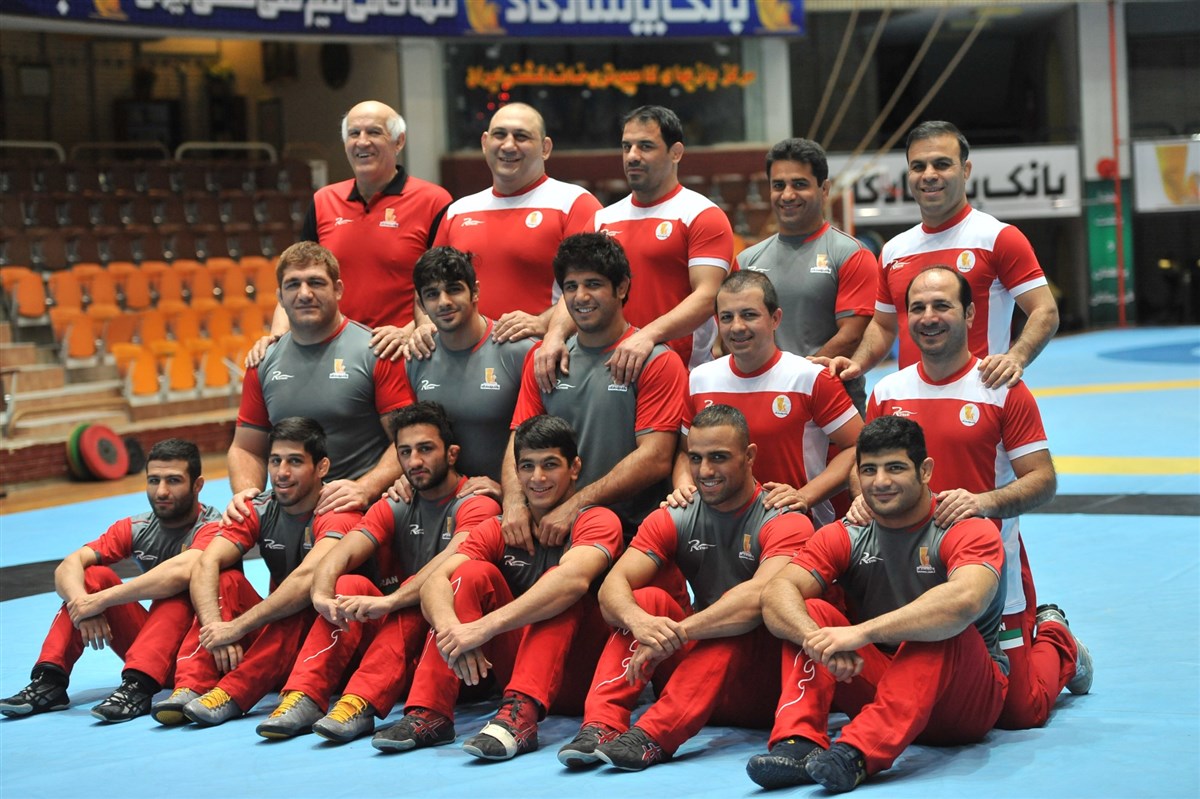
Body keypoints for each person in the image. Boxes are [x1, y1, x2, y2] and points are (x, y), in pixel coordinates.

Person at [861, 266, 1089, 731]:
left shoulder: (1001, 388)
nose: (929, 317)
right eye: (918, 308)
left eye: (941, 305)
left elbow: (1043, 480)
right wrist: (860, 498)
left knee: (1021, 712)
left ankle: (1057, 636)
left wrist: (983, 503)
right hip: (909, 571)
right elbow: (861, 465)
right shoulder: (887, 391)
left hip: (992, 571)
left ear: (969, 314)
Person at [746, 416, 1009, 793]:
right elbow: (776, 593)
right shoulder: (847, 533)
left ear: (925, 471)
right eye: (869, 470)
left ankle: (856, 754)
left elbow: (963, 601)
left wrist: (861, 633)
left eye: (895, 468)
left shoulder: (966, 527)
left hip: (962, 702)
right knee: (811, 614)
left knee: (940, 626)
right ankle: (799, 742)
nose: (880, 481)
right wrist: (817, 640)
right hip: (882, 681)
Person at [557, 404, 812, 771]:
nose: (705, 471)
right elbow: (612, 588)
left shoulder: (784, 519)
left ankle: (652, 736)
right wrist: (642, 623)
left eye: (719, 457)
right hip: (693, 679)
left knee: (735, 617)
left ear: (749, 456)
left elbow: (758, 599)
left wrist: (679, 633)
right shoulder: (676, 513)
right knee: (644, 600)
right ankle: (601, 724)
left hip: (764, 685)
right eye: (696, 458)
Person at [372, 415, 623, 762]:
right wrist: (454, 632)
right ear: (516, 472)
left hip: (583, 676)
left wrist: (484, 627)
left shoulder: (597, 520)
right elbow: (434, 582)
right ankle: (429, 712)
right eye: (528, 466)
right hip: (517, 669)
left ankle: (519, 718)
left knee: (558, 590)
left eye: (550, 465)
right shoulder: (498, 528)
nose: (538, 478)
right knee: (471, 574)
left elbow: (572, 581)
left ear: (575, 468)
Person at [252, 402, 500, 742]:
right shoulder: (396, 502)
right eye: (405, 452)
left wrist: (391, 601)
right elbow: (340, 554)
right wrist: (321, 594)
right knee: (348, 583)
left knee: (422, 591)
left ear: (452, 454)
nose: (415, 461)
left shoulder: (478, 502)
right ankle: (307, 696)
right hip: (404, 659)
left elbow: (450, 561)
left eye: (425, 449)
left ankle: (372, 702)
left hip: (470, 660)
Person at [150, 418, 363, 727]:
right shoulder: (258, 507)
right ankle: (193, 685)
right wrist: (216, 629)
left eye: (295, 462)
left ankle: (242, 691)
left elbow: (308, 578)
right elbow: (206, 563)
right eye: (275, 461)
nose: (281, 472)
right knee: (227, 580)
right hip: (282, 643)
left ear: (322, 467)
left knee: (312, 594)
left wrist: (236, 628)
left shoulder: (338, 510)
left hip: (342, 642)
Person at [0, 439, 219, 723]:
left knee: (176, 594)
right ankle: (50, 681)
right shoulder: (138, 527)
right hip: (159, 651)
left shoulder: (214, 526)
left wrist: (100, 601)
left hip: (205, 654)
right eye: (154, 480)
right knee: (93, 576)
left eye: (173, 480)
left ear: (197, 485)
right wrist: (82, 605)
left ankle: (138, 686)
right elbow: (69, 565)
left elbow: (180, 573)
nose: (161, 491)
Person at [830, 121, 1059, 389]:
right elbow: (884, 326)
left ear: (965, 170)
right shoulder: (893, 250)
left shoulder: (999, 238)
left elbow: (1045, 310)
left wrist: (1015, 358)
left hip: (980, 400)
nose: (929, 175)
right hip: (911, 404)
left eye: (941, 164)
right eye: (918, 166)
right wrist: (857, 364)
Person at [506, 232, 688, 547]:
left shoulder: (658, 361)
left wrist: (576, 506)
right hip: (551, 531)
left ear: (622, 288)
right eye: (571, 287)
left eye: (593, 284)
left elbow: (656, 458)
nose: (581, 297)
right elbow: (518, 439)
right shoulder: (544, 358)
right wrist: (513, 502)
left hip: (631, 534)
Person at [540, 105, 733, 388]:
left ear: (676, 152)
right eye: (626, 146)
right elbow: (575, 292)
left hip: (682, 374)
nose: (632, 156)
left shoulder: (702, 215)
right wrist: (554, 336)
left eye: (645, 146)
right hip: (610, 374)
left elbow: (709, 295)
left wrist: (648, 335)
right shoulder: (602, 220)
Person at [227, 241, 413, 521]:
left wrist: (366, 487)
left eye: (315, 282)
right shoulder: (263, 361)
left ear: (338, 289)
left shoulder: (376, 352)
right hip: (290, 516)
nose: (304, 294)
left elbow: (407, 440)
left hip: (362, 512)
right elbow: (246, 447)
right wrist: (247, 498)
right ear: (280, 296)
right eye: (293, 285)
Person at [677, 271, 863, 527]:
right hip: (717, 528)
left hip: (798, 525)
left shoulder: (810, 377)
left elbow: (858, 446)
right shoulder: (700, 379)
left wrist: (804, 496)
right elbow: (686, 452)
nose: (737, 326)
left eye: (749, 315)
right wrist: (683, 486)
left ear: (775, 319)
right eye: (727, 317)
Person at [261, 100, 450, 352]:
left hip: (403, 351)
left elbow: (446, 286)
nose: (362, 142)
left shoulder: (434, 201)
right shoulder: (324, 201)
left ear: (399, 141)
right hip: (334, 352)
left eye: (374, 132)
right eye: (354, 133)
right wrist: (276, 339)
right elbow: (296, 276)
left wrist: (408, 332)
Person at [430, 102, 601, 344]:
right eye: (500, 135)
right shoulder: (458, 211)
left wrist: (543, 323)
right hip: (468, 356)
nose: (509, 145)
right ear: (485, 142)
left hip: (546, 354)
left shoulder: (575, 203)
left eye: (521, 136)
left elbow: (595, 288)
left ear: (545, 148)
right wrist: (424, 326)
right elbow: (430, 283)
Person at [735, 137, 876, 413]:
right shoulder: (747, 260)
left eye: (799, 184)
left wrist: (791, 381)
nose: (787, 195)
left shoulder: (851, 254)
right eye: (779, 186)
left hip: (832, 407)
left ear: (824, 189)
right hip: (762, 401)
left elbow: (852, 336)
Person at [403, 246, 535, 485]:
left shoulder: (520, 351)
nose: (444, 302)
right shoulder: (417, 357)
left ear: (475, 291)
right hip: (444, 495)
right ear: (420, 304)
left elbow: (547, 442)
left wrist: (508, 491)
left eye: (454, 290)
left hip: (512, 497)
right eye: (432, 294)